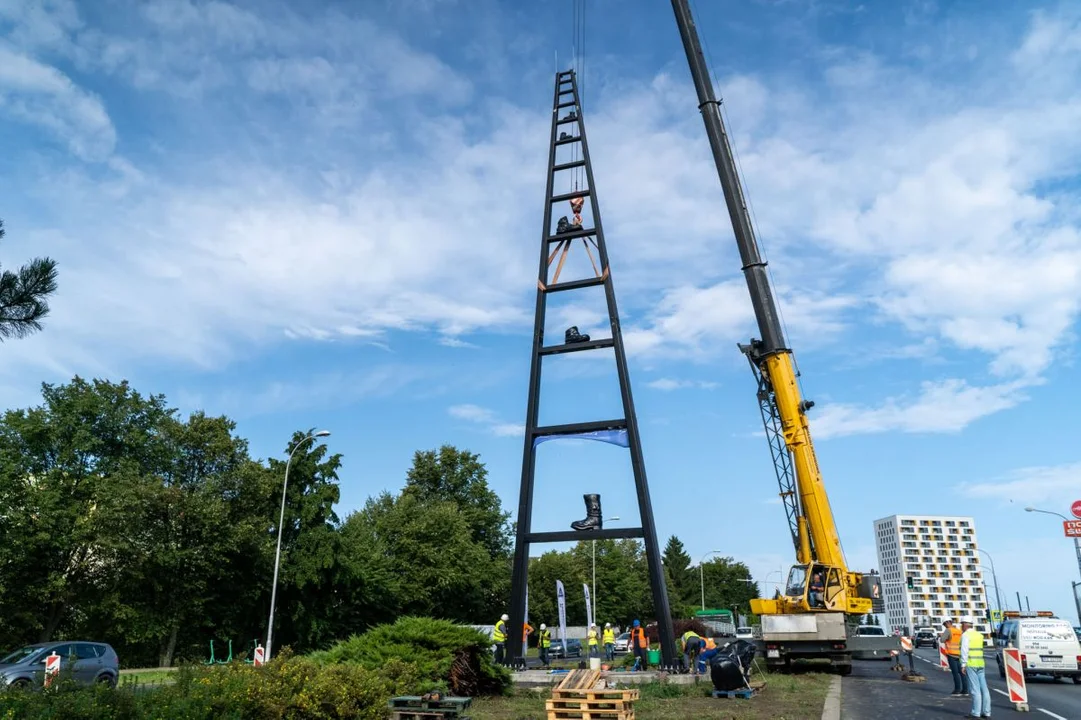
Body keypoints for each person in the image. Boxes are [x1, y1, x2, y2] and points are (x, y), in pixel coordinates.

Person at [960, 616, 990, 718]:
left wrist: (963, 665)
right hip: (980, 663)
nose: (961, 626)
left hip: (971, 663)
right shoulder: (979, 635)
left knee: (975, 690)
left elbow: (964, 650)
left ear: (964, 624)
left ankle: (975, 713)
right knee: (984, 689)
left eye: (962, 624)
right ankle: (986, 712)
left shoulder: (966, 635)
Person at [940, 618, 968, 697]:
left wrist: (942, 636)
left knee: (955, 673)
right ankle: (965, 690)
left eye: (944, 624)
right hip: (959, 654)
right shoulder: (959, 631)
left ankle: (957, 690)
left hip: (951, 654)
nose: (945, 626)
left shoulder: (948, 630)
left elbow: (942, 640)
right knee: (962, 673)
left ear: (947, 622)